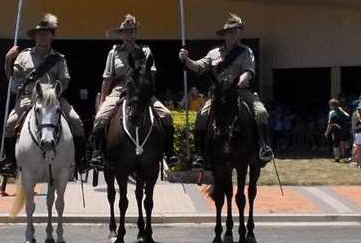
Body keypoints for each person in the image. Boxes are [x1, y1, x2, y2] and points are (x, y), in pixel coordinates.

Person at [179, 13, 273, 169]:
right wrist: (186, 60)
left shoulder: (246, 52)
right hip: (218, 93)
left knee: (261, 112)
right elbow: (198, 67)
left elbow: (249, 70)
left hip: (239, 90)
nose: (232, 35)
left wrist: (245, 77)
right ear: (224, 35)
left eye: (235, 32)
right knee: (202, 115)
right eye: (229, 32)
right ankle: (199, 153)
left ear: (239, 34)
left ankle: (263, 146)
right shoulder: (214, 53)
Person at [0, 13, 86, 177]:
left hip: (53, 99)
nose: (42, 37)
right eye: (39, 34)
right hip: (29, 98)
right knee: (10, 123)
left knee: (76, 121)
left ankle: (80, 161)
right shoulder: (24, 56)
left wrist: (53, 91)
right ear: (35, 37)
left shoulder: (59, 59)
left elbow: (65, 80)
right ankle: (10, 161)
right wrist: (8, 59)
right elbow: (12, 75)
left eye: (46, 34)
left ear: (52, 37)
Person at [89, 14, 176, 169]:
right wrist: (102, 99)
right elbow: (107, 78)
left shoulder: (145, 51)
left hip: (141, 91)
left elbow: (152, 74)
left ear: (136, 33)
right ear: (121, 34)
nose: (129, 35)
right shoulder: (113, 53)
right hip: (119, 90)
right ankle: (98, 153)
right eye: (126, 32)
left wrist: (146, 90)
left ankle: (169, 152)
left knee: (167, 116)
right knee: (101, 118)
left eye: (132, 31)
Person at [324, 98, 350, 162]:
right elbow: (348, 116)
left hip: (336, 129)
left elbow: (330, 123)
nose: (329, 106)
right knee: (346, 142)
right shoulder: (342, 111)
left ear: (332, 105)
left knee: (336, 143)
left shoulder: (332, 112)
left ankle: (337, 157)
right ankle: (347, 156)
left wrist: (327, 132)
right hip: (344, 129)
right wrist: (342, 110)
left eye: (330, 105)